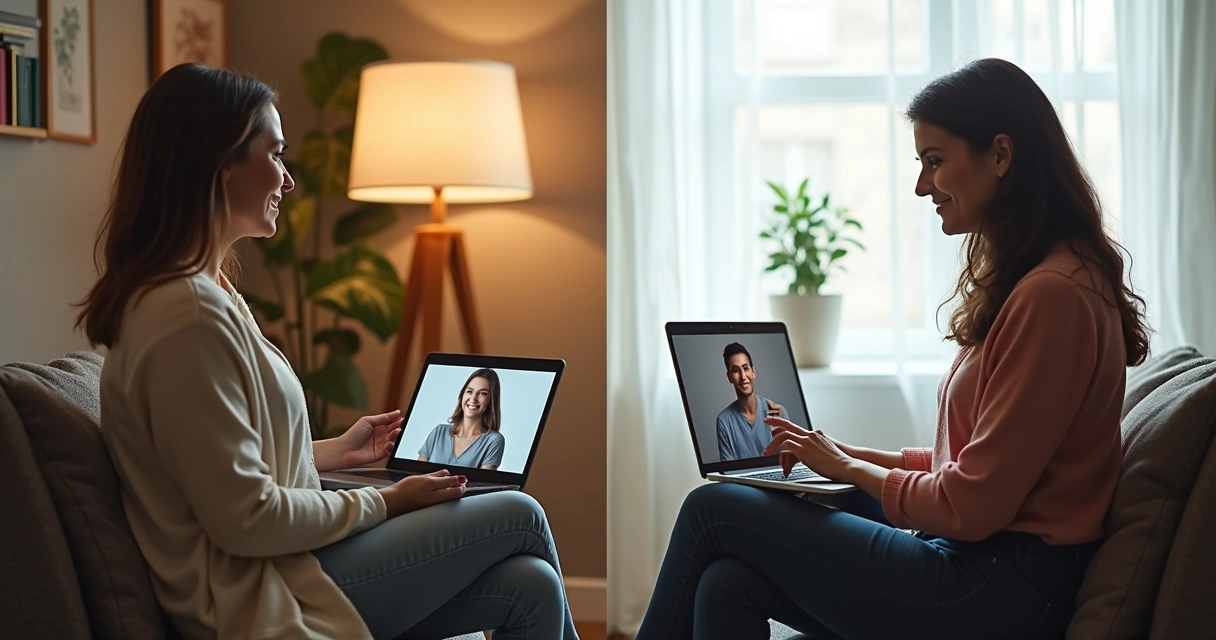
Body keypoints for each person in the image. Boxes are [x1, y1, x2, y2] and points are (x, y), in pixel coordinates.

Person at [636, 57, 1150, 639]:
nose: (921, 185)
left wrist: (844, 467)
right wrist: (832, 453)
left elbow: (973, 503)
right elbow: (979, 467)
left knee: (713, 509)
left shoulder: (1052, 296)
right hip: (985, 560)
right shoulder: (1046, 281)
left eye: (935, 161)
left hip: (997, 588)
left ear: (1001, 155)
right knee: (727, 582)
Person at [77, 63, 578, 640]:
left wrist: (335, 454)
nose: (288, 181)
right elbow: (248, 519)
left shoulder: (210, 293)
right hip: (260, 588)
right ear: (220, 166)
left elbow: (224, 469)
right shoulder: (184, 317)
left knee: (530, 586)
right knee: (520, 512)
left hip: (288, 560)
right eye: (276, 155)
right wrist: (388, 502)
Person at [417, 368, 507, 470]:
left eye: (483, 393)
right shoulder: (439, 431)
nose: (473, 399)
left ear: (491, 401)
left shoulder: (493, 440)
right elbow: (416, 474)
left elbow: (483, 484)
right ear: (462, 395)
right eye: (469, 391)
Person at [714, 342, 788, 461]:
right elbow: (728, 471)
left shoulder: (775, 411)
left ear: (753, 372)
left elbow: (786, 462)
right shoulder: (724, 421)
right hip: (741, 480)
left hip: (775, 479)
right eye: (736, 370)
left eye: (745, 368)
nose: (743, 376)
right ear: (729, 377)